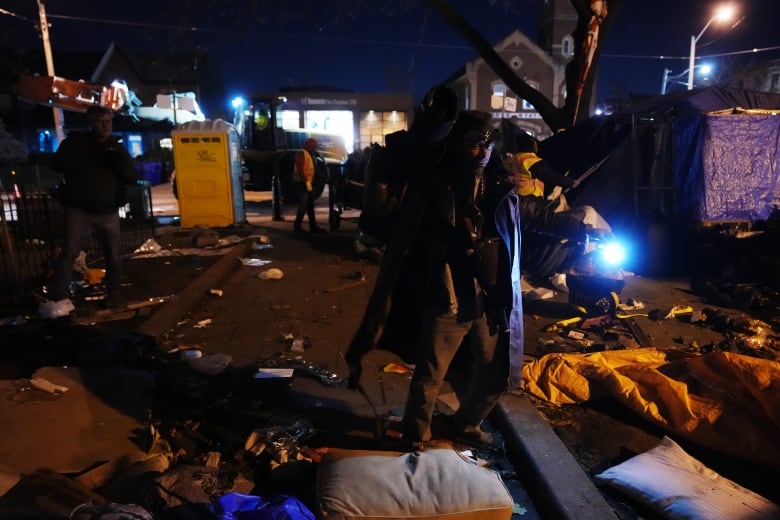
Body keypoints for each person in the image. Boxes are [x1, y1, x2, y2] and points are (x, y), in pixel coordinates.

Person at [345, 110, 524, 450]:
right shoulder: (430, 185)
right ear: (456, 145)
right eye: (474, 145)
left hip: (490, 298)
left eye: (488, 145)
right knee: (430, 375)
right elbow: (378, 212)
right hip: (448, 295)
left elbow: (528, 216)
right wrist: (386, 161)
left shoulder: (499, 187)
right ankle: (416, 436)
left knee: (497, 373)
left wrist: (576, 226)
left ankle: (465, 423)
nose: (483, 153)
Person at [47, 105, 141, 307]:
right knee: (69, 253)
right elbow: (57, 163)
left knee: (113, 254)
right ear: (91, 123)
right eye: (100, 121)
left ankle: (114, 293)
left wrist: (118, 166)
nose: (105, 126)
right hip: (79, 209)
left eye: (108, 121)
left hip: (107, 210)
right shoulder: (76, 143)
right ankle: (59, 297)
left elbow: (133, 177)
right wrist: (86, 156)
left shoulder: (116, 148)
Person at [292, 138, 324, 233]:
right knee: (304, 203)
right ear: (308, 144)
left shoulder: (310, 153)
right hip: (302, 183)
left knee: (310, 204)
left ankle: (313, 226)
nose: (315, 146)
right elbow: (301, 170)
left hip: (307, 183)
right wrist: (307, 184)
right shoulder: (302, 153)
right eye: (314, 144)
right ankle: (297, 226)